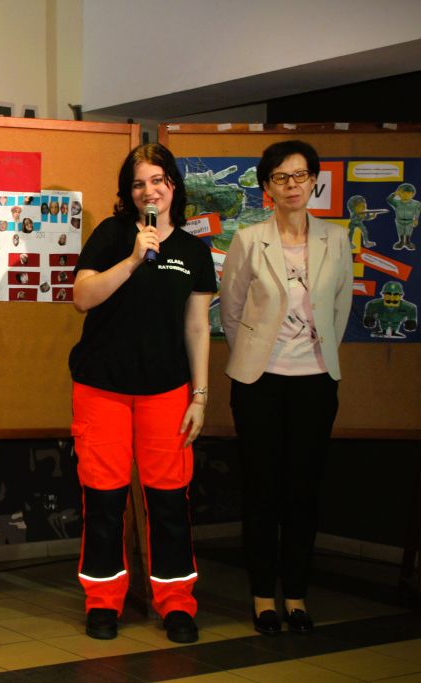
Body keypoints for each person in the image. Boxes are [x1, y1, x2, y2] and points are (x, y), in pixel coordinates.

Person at [69, 142, 214, 644]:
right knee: (103, 498)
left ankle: (175, 601)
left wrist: (200, 395)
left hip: (167, 392)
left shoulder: (194, 251)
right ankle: (103, 599)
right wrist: (133, 259)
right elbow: (82, 297)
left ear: (173, 184)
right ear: (127, 192)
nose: (148, 191)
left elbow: (197, 327)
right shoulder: (112, 235)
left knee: (169, 500)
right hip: (102, 388)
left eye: (156, 180)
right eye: (137, 183)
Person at [220, 139, 352, 637]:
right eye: (280, 177)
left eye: (300, 175)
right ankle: (262, 596)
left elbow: (340, 306)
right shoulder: (248, 239)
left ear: (314, 180)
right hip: (259, 383)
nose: (292, 185)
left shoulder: (337, 238)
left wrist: (317, 353)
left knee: (303, 492)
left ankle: (295, 594)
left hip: (316, 382)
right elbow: (232, 310)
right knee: (261, 490)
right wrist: (256, 354)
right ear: (267, 187)